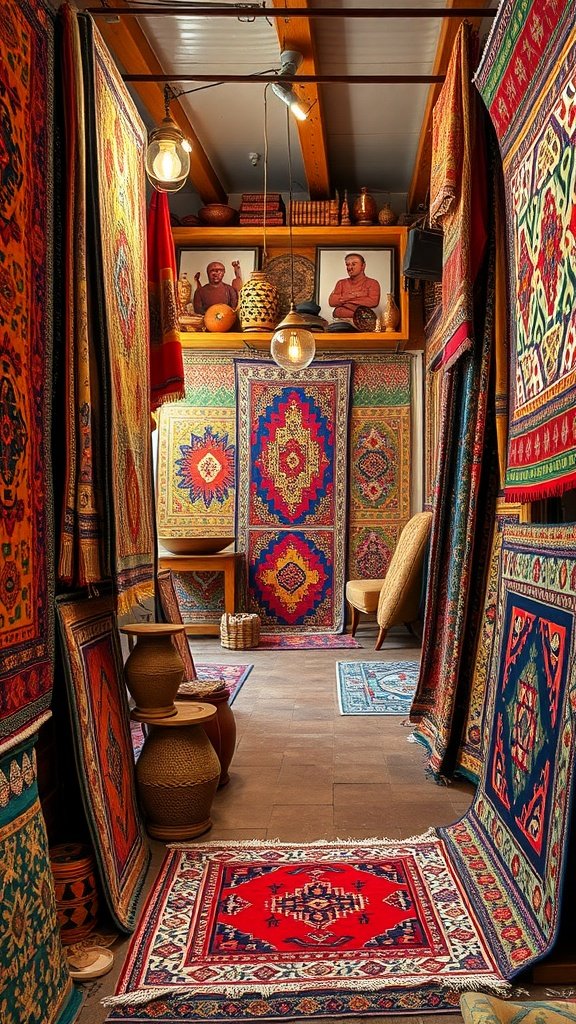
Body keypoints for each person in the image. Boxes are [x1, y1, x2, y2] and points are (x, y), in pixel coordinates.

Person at [327, 253, 380, 319]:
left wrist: (346, 301)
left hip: (365, 319)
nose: (349, 268)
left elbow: (373, 302)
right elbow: (332, 302)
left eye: (354, 264)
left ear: (363, 266)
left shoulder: (372, 283)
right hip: (344, 320)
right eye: (347, 265)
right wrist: (356, 296)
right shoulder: (341, 283)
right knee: (338, 311)